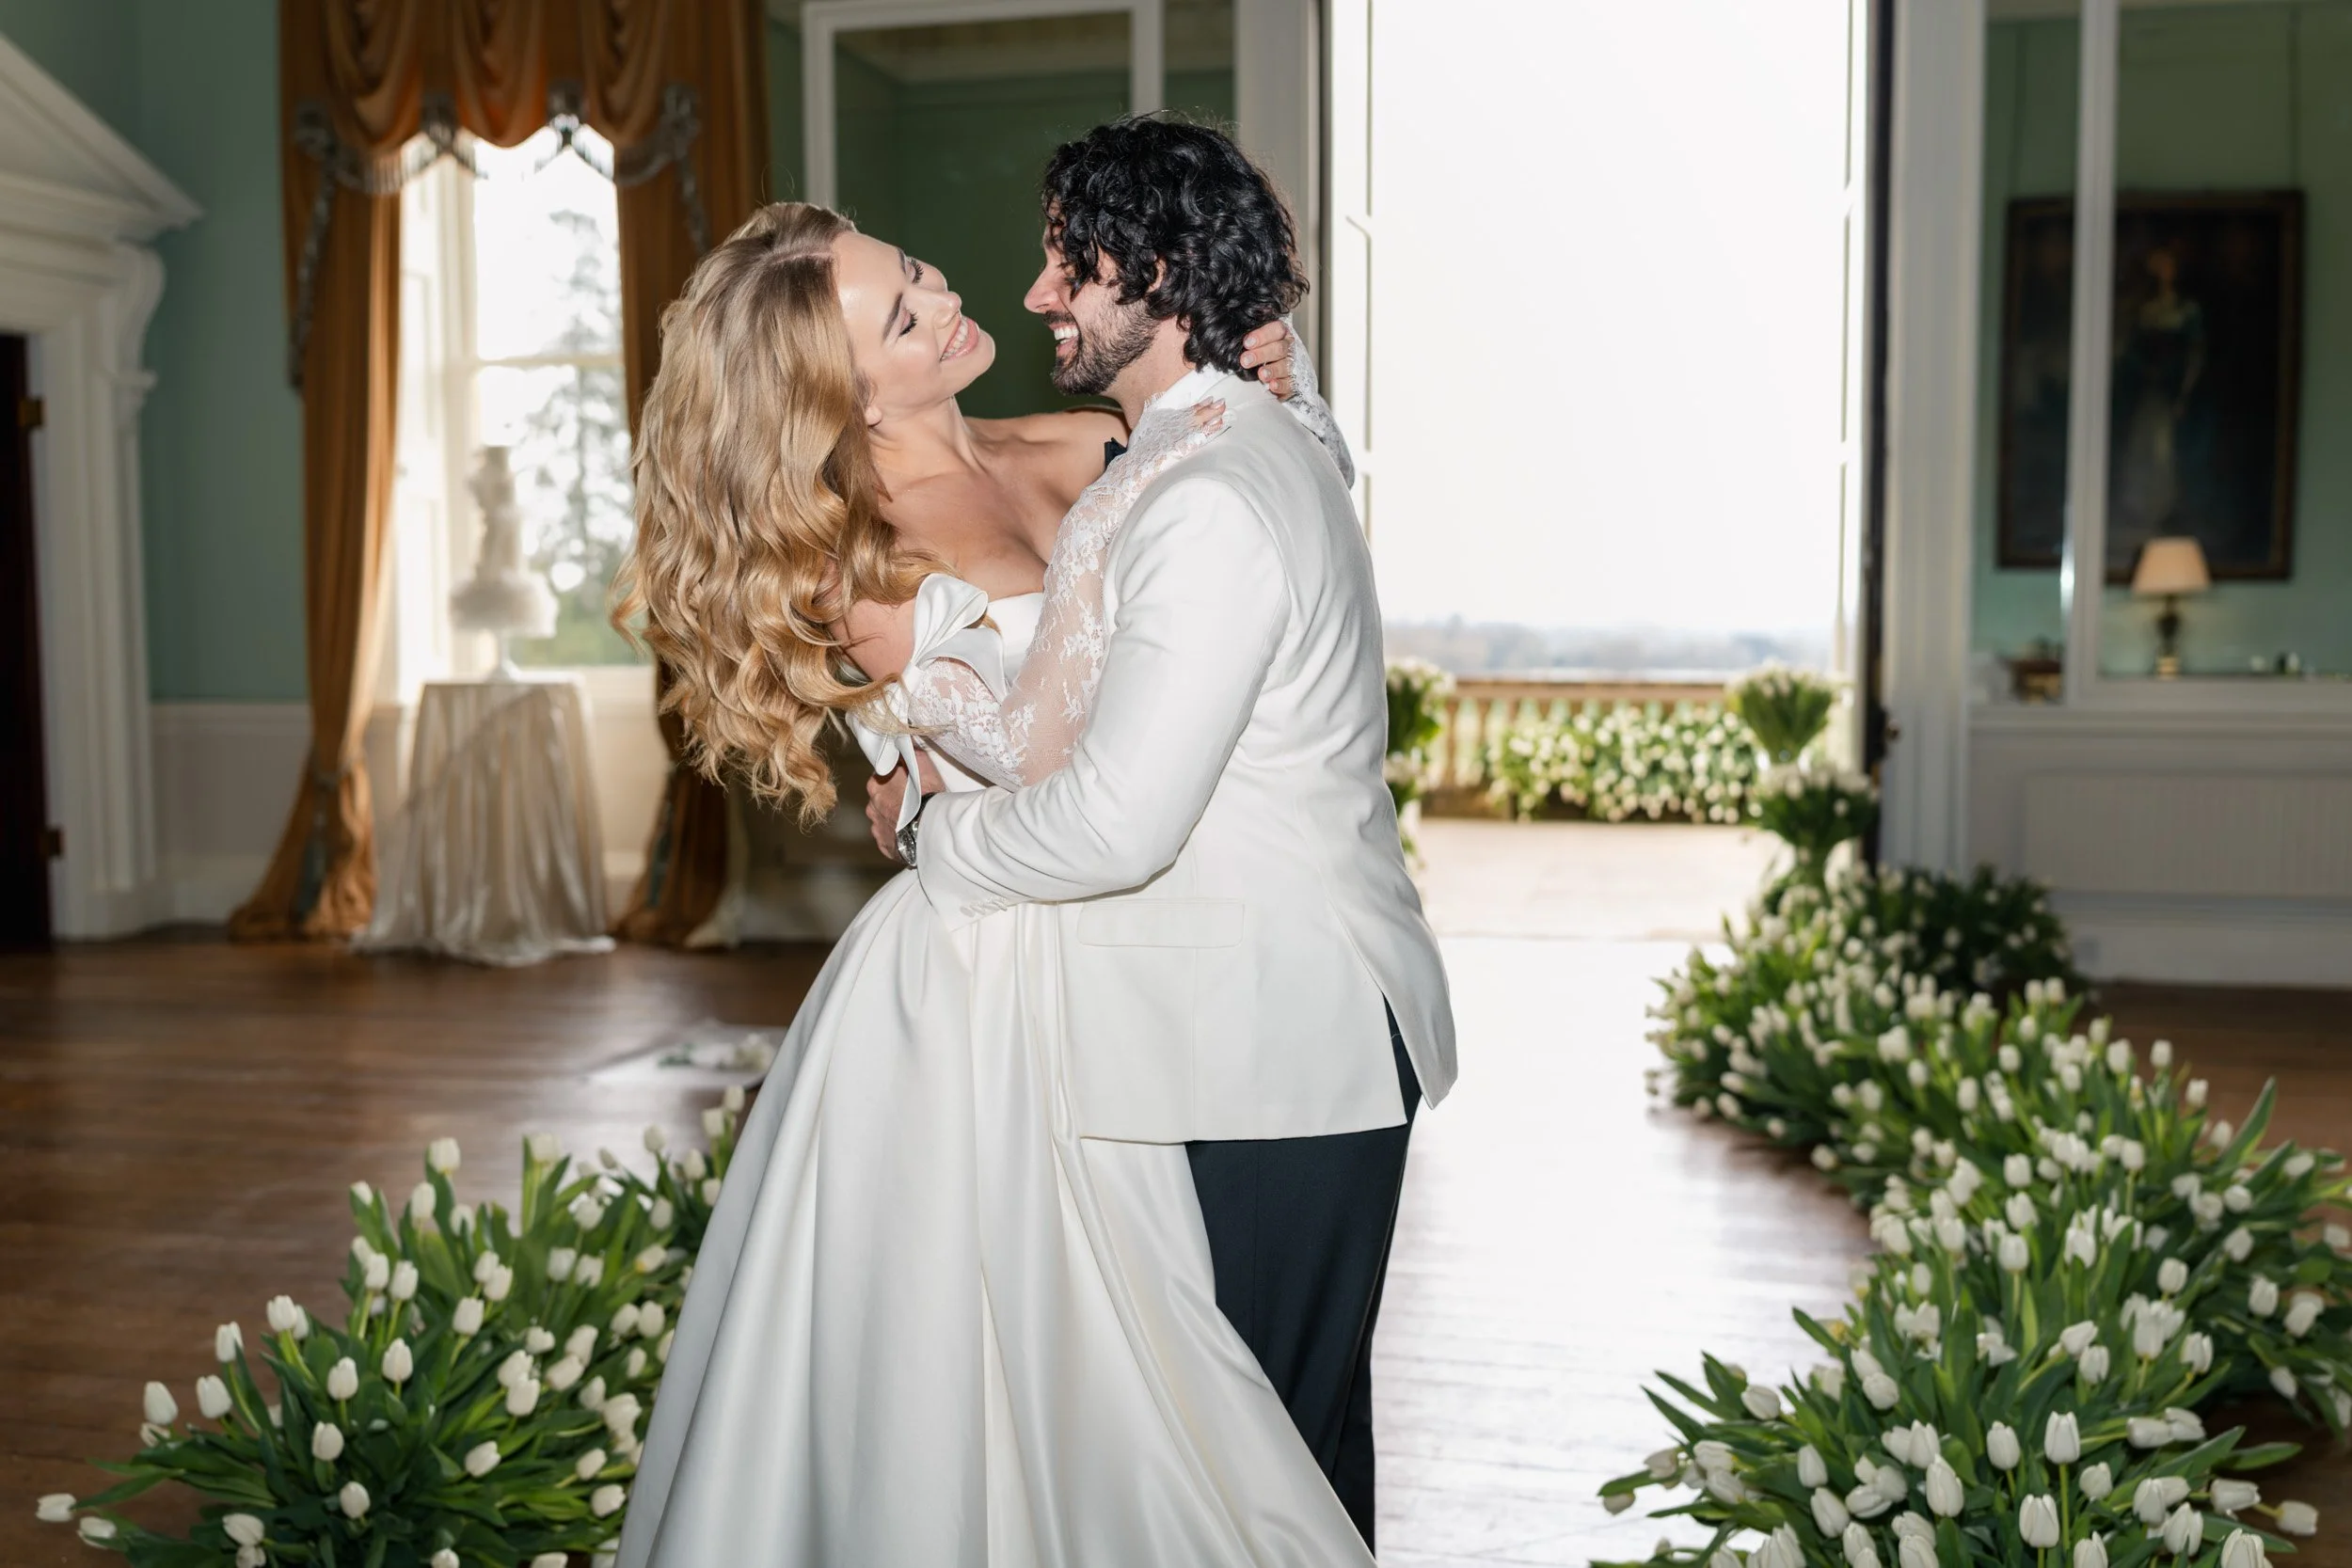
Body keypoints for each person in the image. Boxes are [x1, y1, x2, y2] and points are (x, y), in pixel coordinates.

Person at [613, 119, 1451, 1568]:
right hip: (1000, 989)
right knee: (1048, 1406)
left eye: (919, 271)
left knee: (1239, 1406)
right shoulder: (857, 554)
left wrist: (1281, 391)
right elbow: (1018, 761)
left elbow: (1244, 550)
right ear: (846, 388)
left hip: (1166, 957)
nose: (953, 298)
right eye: (902, 310)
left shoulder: (1099, 437)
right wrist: (928, 812)